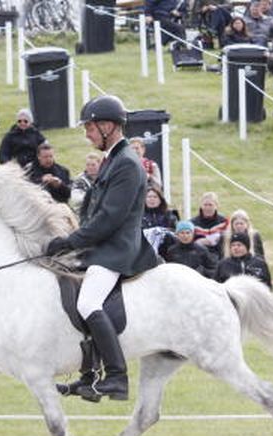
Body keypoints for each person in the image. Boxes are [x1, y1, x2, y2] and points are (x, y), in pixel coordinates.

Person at [43, 95, 158, 401]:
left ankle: (117, 377)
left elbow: (109, 219)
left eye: (90, 128)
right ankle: (88, 375)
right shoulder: (114, 159)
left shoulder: (127, 164)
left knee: (88, 302)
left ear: (108, 126)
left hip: (118, 249)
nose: (87, 134)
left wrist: (70, 242)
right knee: (69, 290)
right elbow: (94, 211)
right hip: (102, 245)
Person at [141, 184, 179, 257]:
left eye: (155, 197)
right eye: (149, 197)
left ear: (160, 200)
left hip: (167, 250)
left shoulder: (170, 216)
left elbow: (176, 234)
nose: (152, 199)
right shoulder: (138, 216)